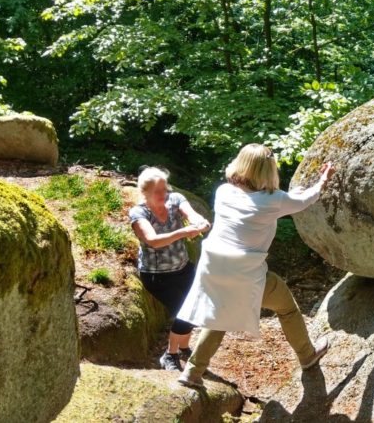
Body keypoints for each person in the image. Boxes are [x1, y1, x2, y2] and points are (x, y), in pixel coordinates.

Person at [176, 143, 335, 388]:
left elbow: (276, 198)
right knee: (288, 308)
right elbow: (304, 200)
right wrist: (323, 179)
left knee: (220, 316)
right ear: (268, 170)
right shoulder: (273, 201)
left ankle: (192, 373)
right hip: (245, 274)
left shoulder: (224, 192)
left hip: (213, 268)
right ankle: (307, 355)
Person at [128, 167, 211, 370]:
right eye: (157, 191)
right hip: (157, 277)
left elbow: (191, 214)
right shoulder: (139, 213)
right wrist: (184, 232)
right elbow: (153, 241)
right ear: (144, 192)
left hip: (183, 268)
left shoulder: (175, 199)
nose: (163, 195)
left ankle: (183, 348)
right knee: (185, 313)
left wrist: (200, 223)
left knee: (197, 307)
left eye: (164, 189)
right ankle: (169, 355)